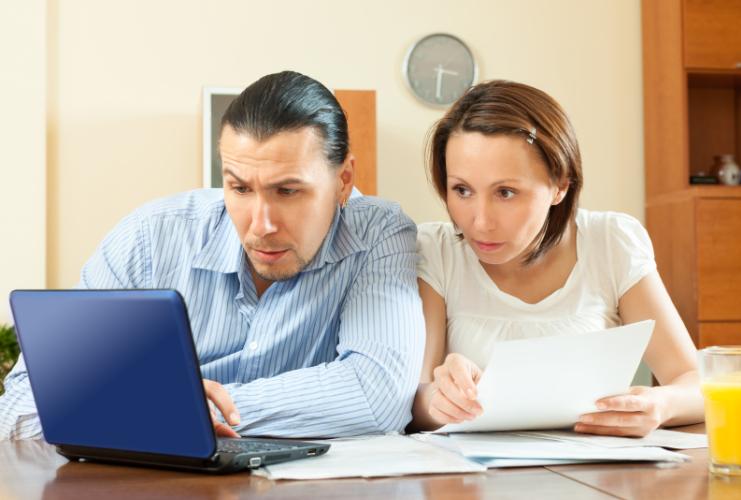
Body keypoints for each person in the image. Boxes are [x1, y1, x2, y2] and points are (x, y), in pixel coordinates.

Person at [0, 71, 425, 440]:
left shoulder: (379, 234)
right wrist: (166, 412)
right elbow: (21, 408)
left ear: (344, 179)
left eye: (288, 191)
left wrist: (183, 410)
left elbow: (379, 393)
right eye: (240, 188)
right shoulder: (151, 238)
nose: (261, 224)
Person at [410, 80, 704, 436]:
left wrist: (659, 405)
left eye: (505, 192)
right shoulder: (436, 251)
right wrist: (440, 401)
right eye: (462, 190)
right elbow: (413, 400)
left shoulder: (610, 243)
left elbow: (695, 383)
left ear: (560, 185)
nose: (480, 221)